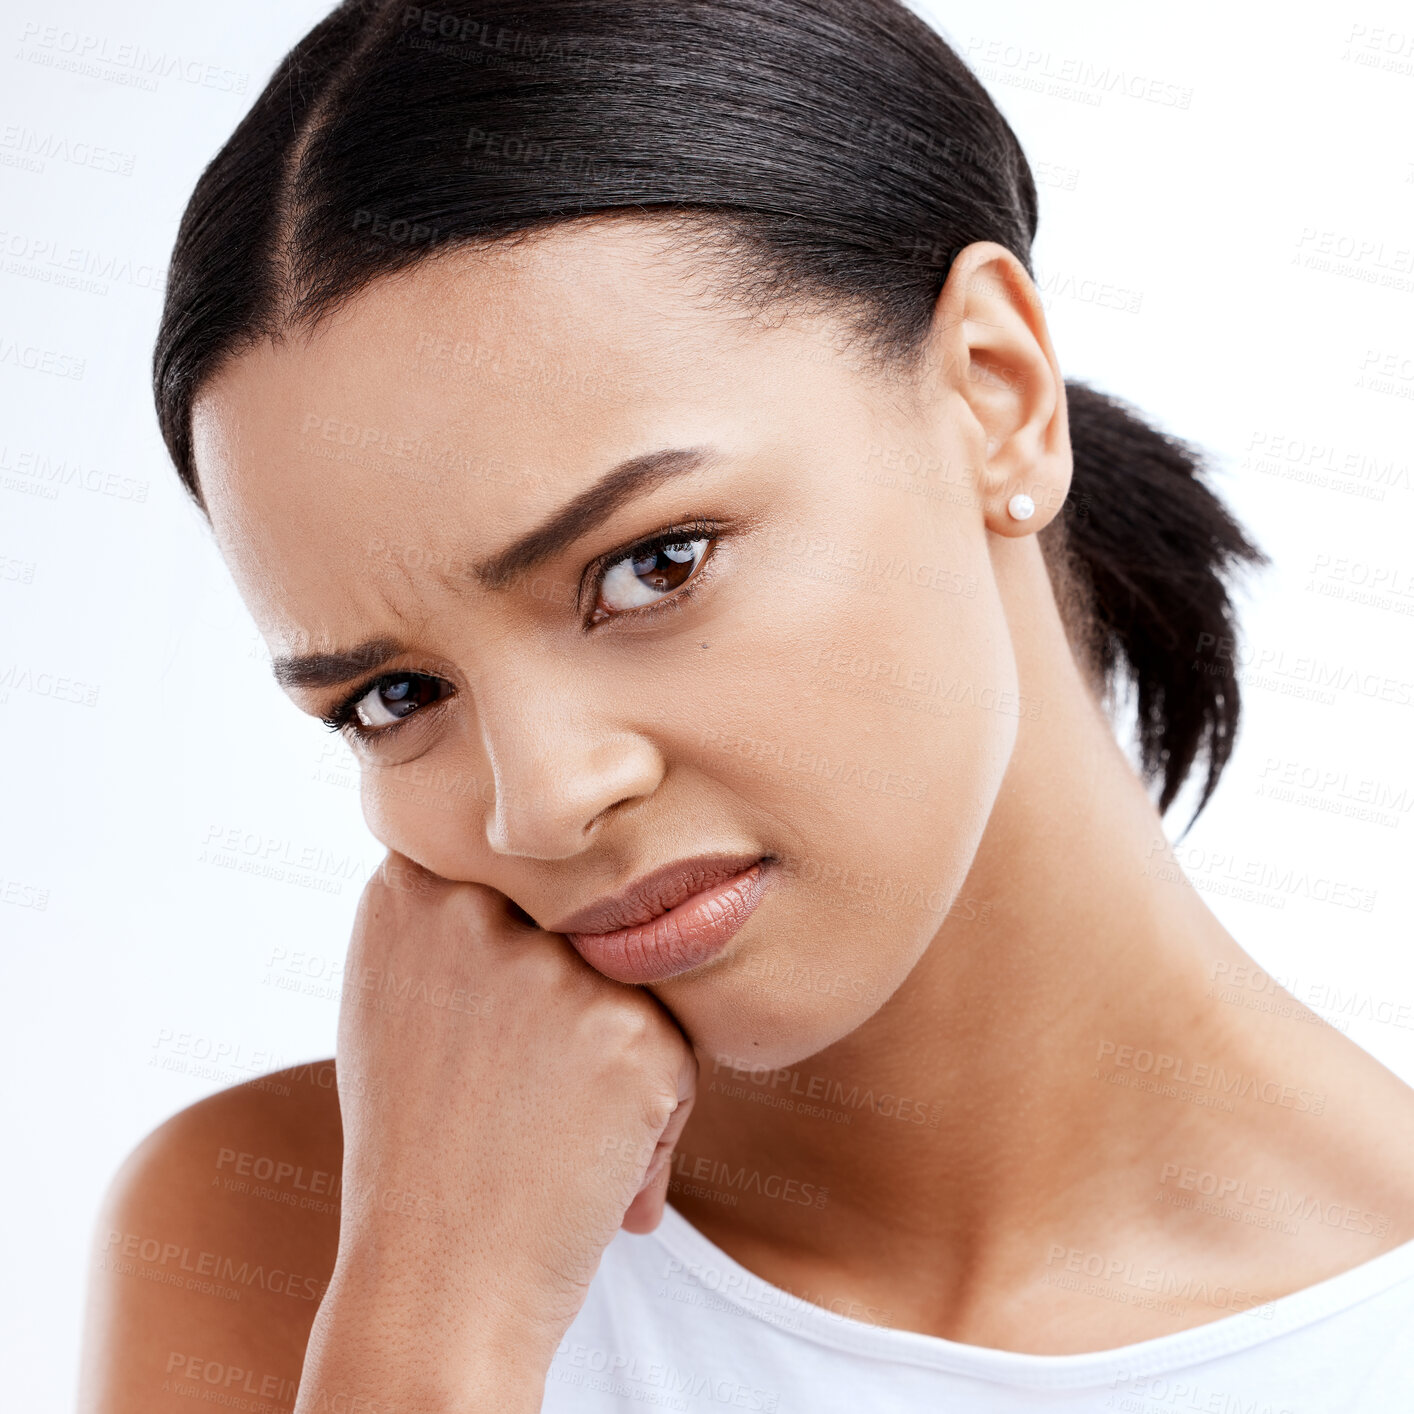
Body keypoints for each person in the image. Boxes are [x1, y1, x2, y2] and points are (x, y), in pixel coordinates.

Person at [79, 1, 1414, 1409]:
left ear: (992, 394)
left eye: (651, 564)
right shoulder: (287, 1235)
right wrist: (435, 1317)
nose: (540, 796)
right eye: (393, 693)